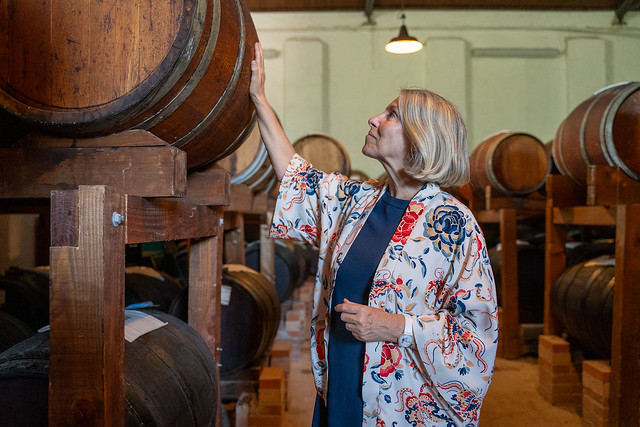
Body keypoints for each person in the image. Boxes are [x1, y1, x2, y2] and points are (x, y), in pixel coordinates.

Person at [249, 42, 498, 426]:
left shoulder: (454, 225)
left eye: (391, 115)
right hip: (342, 384)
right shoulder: (358, 202)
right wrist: (260, 99)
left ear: (421, 139)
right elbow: (296, 176)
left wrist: (396, 326)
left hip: (403, 405)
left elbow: (477, 338)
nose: (373, 118)